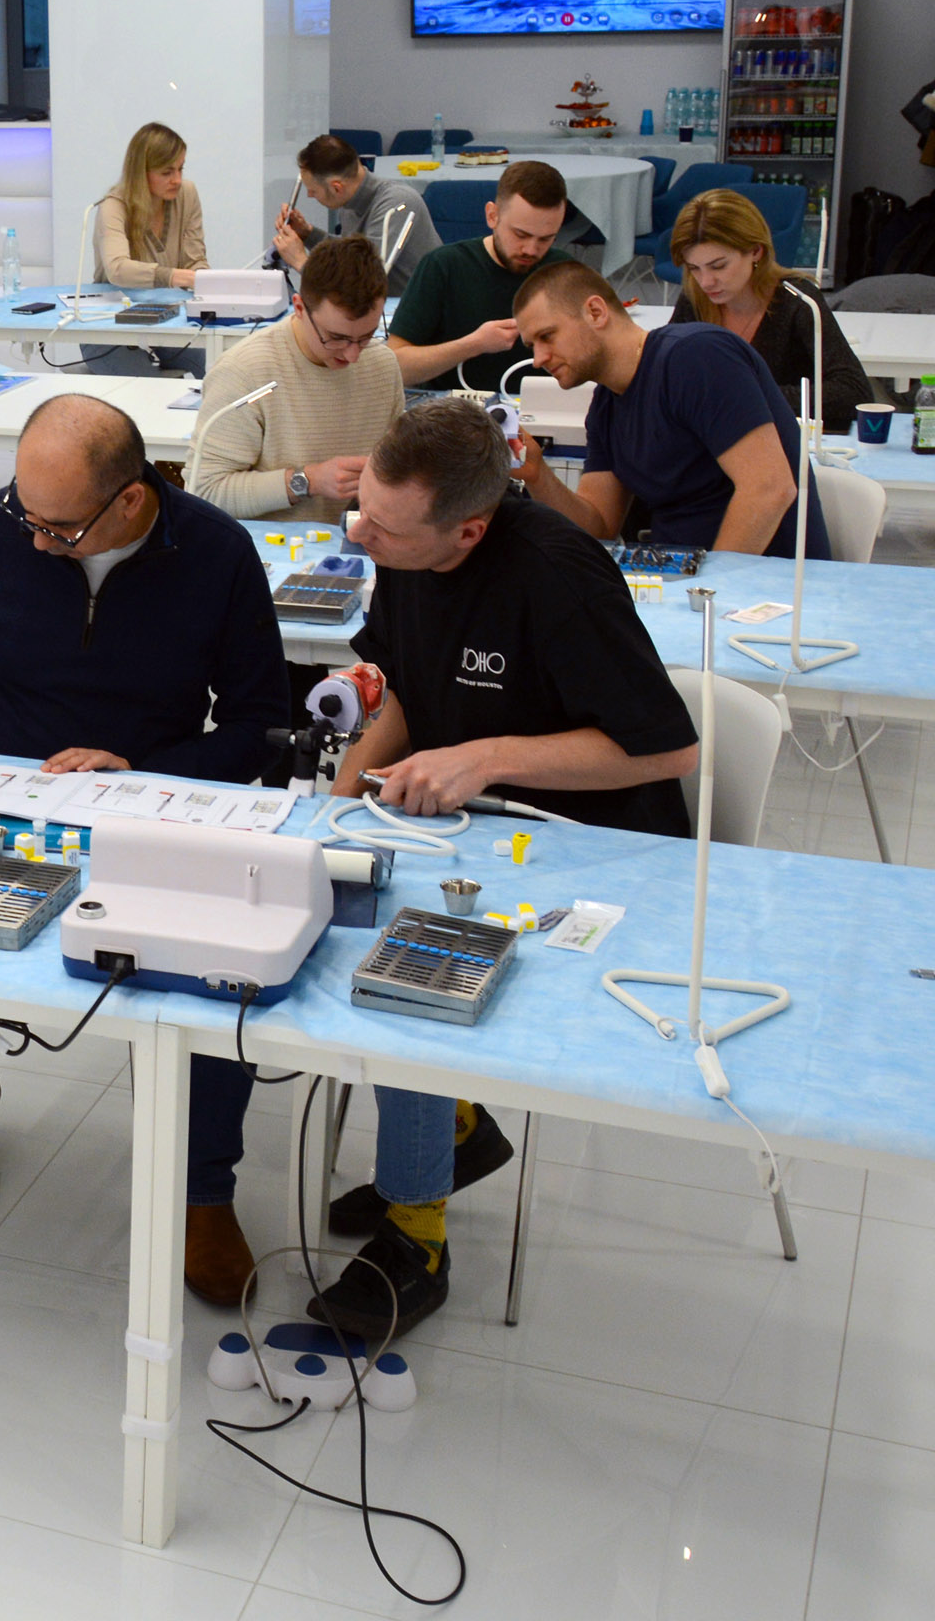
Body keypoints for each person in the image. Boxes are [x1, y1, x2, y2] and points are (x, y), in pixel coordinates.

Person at [0, 394, 292, 1304]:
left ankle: (203, 1190)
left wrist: (139, 771)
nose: (32, 540)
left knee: (217, 987)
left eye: (58, 529)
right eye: (24, 513)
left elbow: (260, 726)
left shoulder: (216, 553)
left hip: (150, 807)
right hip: (1, 801)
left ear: (131, 500)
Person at [312, 396, 700, 1334]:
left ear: (469, 530)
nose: (360, 535)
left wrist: (486, 757)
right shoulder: (403, 547)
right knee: (327, 925)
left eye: (386, 528)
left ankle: (418, 1239)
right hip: (471, 833)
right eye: (363, 511)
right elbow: (409, 689)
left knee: (406, 974)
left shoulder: (558, 576)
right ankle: (451, 1128)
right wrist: (338, 803)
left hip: (594, 850)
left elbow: (667, 752)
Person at [510, 258, 830, 560]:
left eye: (547, 336)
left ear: (595, 312)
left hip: (765, 586)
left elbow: (770, 488)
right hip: (687, 581)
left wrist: (707, 589)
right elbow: (599, 528)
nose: (538, 359)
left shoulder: (697, 357)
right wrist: (536, 472)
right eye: (532, 346)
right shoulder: (605, 407)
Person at [188, 234, 406, 520]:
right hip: (272, 545)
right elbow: (205, 492)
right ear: (300, 308)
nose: (352, 355)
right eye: (335, 338)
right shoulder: (244, 372)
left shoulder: (382, 366)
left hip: (360, 539)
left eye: (366, 337)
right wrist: (307, 481)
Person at [665, 188, 871, 432]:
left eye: (718, 266)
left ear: (756, 251)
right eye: (694, 268)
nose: (706, 282)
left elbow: (854, 392)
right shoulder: (694, 298)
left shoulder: (797, 300)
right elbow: (665, 377)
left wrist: (746, 396)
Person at [384, 160, 577, 392]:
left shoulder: (564, 273)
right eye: (520, 235)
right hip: (458, 409)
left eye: (545, 239)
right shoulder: (444, 266)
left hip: (547, 407)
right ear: (492, 216)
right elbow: (396, 367)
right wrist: (474, 344)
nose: (531, 250)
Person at [271, 134, 440, 293]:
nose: (310, 195)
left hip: (412, 306)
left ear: (337, 188)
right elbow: (350, 258)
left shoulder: (398, 204)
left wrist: (300, 261)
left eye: (313, 191)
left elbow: (363, 282)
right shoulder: (350, 198)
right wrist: (307, 233)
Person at [94, 121, 205, 290]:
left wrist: (207, 283)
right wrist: (173, 277)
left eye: (180, 169)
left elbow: (195, 261)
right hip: (117, 302)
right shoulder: (112, 207)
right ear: (140, 173)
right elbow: (117, 269)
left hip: (173, 302)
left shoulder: (187, 193)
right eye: (166, 173)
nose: (177, 180)